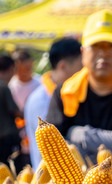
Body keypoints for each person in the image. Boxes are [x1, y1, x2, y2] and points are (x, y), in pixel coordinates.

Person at [46, 10, 112, 160]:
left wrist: (81, 135)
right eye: (96, 45)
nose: (104, 53)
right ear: (83, 53)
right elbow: (52, 148)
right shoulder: (64, 93)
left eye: (111, 45)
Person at [24, 38, 82, 168]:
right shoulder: (40, 100)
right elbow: (47, 149)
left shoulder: (70, 94)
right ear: (63, 66)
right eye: (80, 68)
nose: (84, 73)